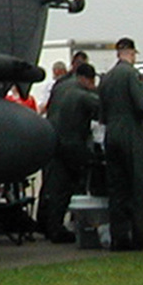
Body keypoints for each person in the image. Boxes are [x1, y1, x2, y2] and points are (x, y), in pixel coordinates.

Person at [100, 37, 143, 251]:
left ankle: (119, 238)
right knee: (139, 186)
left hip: (111, 134)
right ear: (131, 53)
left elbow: (101, 113)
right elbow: (141, 105)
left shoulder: (107, 77)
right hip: (130, 132)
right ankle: (142, 237)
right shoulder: (130, 74)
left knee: (117, 189)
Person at [41, 62, 99, 243]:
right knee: (74, 186)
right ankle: (80, 225)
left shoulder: (60, 86)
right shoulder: (84, 94)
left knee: (54, 187)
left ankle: (50, 227)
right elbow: (101, 112)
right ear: (88, 79)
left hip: (53, 140)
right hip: (73, 145)